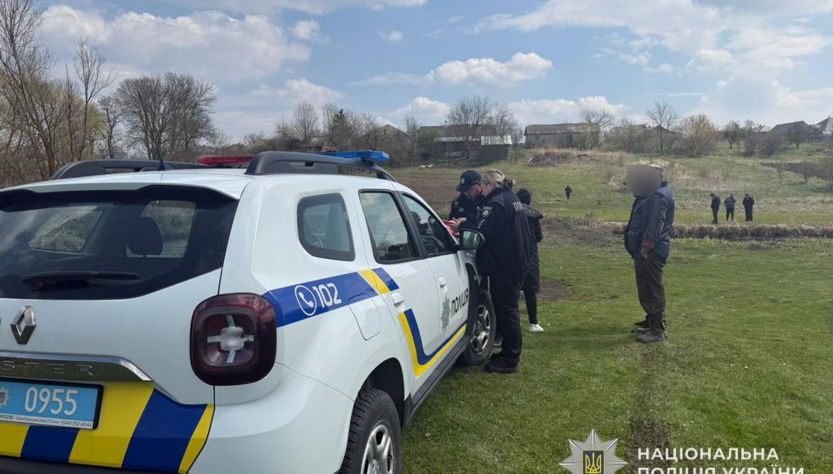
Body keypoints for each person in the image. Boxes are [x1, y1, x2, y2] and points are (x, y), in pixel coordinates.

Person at [449, 170, 532, 374]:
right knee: (508, 309)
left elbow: (481, 232)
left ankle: (511, 359)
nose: (483, 191)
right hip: (516, 262)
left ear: (491, 185)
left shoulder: (496, 204)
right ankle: (508, 352)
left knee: (507, 311)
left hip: (505, 266)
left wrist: (463, 225)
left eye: (484, 186)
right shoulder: (510, 198)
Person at [624, 164, 675, 344]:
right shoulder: (652, 193)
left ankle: (657, 330)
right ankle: (651, 321)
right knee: (647, 287)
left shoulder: (656, 196)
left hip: (651, 251)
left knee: (651, 288)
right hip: (649, 250)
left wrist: (646, 248)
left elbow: (655, 225)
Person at [516, 188, 544, 333]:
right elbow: (539, 237)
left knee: (513, 290)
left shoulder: (513, 213)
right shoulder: (533, 215)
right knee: (530, 290)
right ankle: (533, 322)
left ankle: (514, 320)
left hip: (515, 254)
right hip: (531, 254)